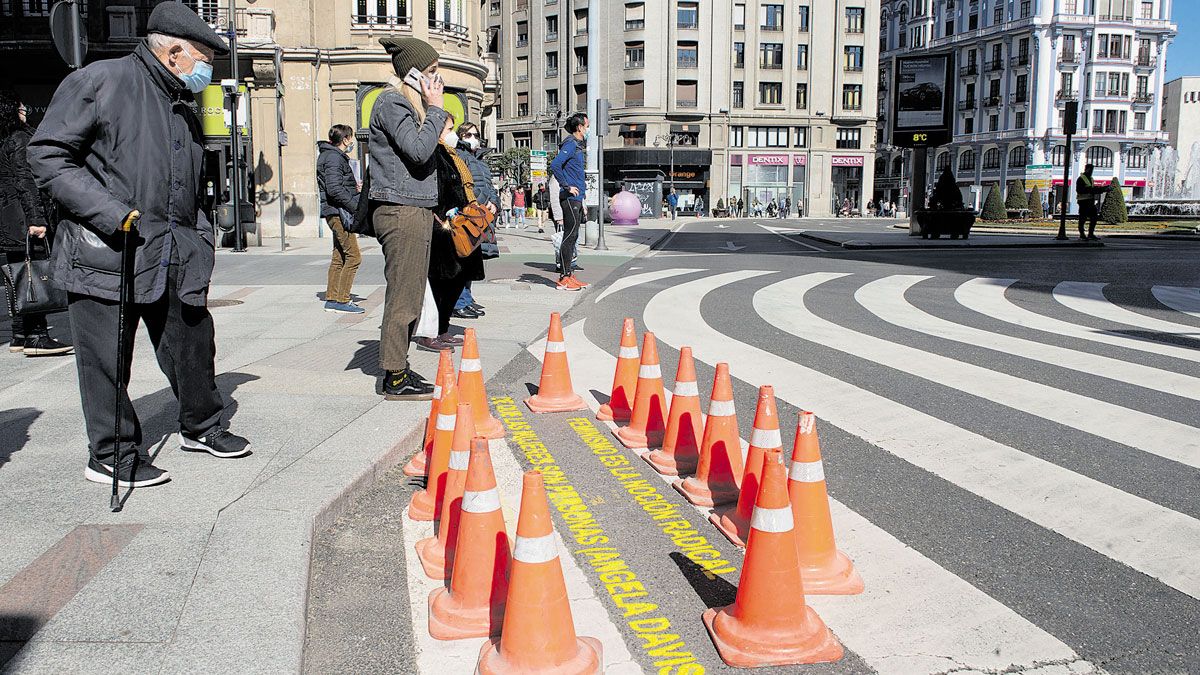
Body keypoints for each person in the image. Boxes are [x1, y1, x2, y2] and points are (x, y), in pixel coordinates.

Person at [27, 3, 251, 488]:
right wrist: (110, 213)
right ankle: (111, 453)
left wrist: (200, 238)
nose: (207, 71)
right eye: (203, 59)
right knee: (107, 360)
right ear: (173, 53)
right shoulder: (100, 82)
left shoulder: (180, 106)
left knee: (192, 341)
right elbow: (46, 156)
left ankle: (201, 425)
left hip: (173, 250)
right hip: (106, 251)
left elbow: (189, 187)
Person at [366, 36, 449, 400]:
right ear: (412, 75)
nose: (437, 79)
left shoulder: (403, 105)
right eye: (431, 72)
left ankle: (399, 368)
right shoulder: (392, 102)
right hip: (401, 211)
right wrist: (435, 110)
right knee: (404, 296)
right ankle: (394, 376)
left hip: (411, 207)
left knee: (411, 294)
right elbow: (417, 151)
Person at [1, 89, 73, 357]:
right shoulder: (19, 139)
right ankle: (37, 336)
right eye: (21, 108)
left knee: (18, 274)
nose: (25, 111)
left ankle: (19, 333)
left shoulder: (4, 140)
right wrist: (37, 219)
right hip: (23, 219)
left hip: (8, 220)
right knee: (33, 273)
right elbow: (25, 181)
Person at [416, 113, 486, 352]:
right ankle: (429, 332)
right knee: (440, 280)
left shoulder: (452, 153)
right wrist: (445, 213)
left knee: (458, 278)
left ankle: (443, 328)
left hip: (459, 223)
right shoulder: (432, 152)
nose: (453, 133)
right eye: (449, 129)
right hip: (442, 226)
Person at [316, 123, 363, 314]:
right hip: (338, 212)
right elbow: (334, 189)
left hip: (334, 211)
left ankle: (332, 298)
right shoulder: (334, 158)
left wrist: (354, 189)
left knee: (339, 256)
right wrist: (355, 205)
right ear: (344, 139)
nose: (351, 142)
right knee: (354, 257)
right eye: (350, 138)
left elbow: (337, 185)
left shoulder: (330, 156)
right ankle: (342, 300)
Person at [452, 121, 492, 320]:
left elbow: (488, 185)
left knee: (473, 259)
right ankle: (460, 301)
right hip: (470, 214)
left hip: (481, 215)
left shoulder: (479, 159)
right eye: (468, 134)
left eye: (476, 134)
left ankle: (466, 299)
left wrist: (494, 202)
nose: (473, 138)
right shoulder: (461, 156)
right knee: (465, 259)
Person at [548, 112, 589, 291]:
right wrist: (567, 186)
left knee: (573, 237)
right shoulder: (571, 144)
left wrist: (582, 198)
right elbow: (555, 164)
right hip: (570, 198)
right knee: (569, 236)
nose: (588, 129)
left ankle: (569, 274)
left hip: (577, 198)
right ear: (579, 127)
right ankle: (564, 278)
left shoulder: (577, 146)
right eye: (587, 126)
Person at [1075, 163, 1103, 241]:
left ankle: (1090, 233)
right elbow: (1079, 190)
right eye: (1091, 170)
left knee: (1094, 217)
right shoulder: (1081, 178)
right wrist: (1091, 190)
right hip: (1083, 201)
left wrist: (1099, 190)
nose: (1091, 171)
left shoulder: (1091, 178)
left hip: (1090, 201)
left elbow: (1092, 189)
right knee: (1083, 218)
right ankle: (1082, 233)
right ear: (1087, 169)